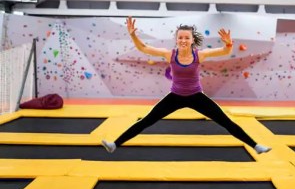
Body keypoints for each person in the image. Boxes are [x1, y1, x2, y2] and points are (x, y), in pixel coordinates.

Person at [102, 17, 271, 154]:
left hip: (196, 96)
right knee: (146, 120)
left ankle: (256, 146)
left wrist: (228, 44)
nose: (183, 40)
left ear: (191, 40)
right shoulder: (170, 54)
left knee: (225, 121)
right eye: (180, 37)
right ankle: (115, 144)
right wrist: (133, 35)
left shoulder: (200, 55)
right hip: (175, 96)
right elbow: (144, 48)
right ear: (176, 39)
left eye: (186, 38)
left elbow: (224, 52)